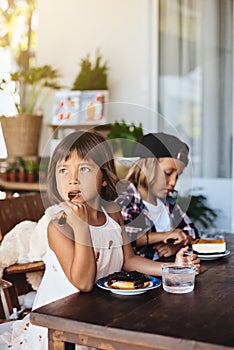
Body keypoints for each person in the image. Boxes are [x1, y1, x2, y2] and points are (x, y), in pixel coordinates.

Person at [1, 131, 200, 349]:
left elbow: (129, 260)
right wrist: (81, 228)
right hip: (60, 329)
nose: (72, 178)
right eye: (63, 170)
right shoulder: (59, 227)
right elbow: (84, 283)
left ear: (104, 178)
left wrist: (173, 267)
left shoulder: (113, 215)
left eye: (84, 169)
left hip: (99, 317)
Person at [116, 132, 199, 260]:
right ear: (147, 167)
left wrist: (175, 247)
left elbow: (192, 233)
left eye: (177, 176)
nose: (173, 182)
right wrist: (165, 235)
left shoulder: (168, 204)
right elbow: (123, 237)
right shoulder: (126, 201)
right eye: (168, 173)